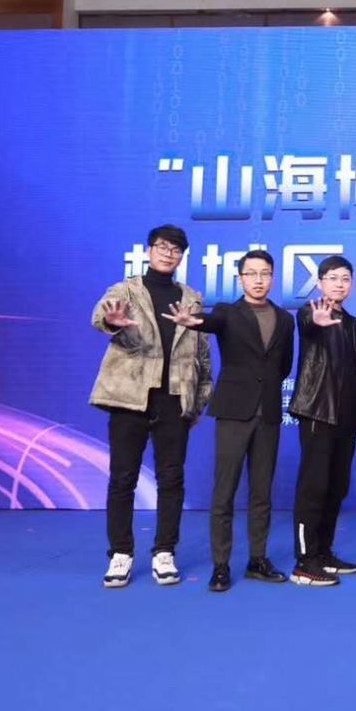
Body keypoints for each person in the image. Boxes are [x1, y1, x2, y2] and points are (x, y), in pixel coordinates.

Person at [89, 224, 211, 589]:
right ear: (149, 250)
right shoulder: (126, 290)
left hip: (174, 400)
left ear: (182, 257)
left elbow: (202, 354)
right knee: (122, 478)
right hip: (130, 398)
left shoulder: (191, 297)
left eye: (176, 250)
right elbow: (100, 315)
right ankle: (120, 554)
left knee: (172, 479)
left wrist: (198, 401)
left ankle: (164, 552)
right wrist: (111, 321)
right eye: (162, 247)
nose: (168, 254)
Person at [165, 249, 294, 592]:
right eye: (251, 273)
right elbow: (208, 322)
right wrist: (193, 321)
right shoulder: (227, 312)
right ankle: (221, 565)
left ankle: (257, 560)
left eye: (264, 273)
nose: (258, 280)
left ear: (273, 277)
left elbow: (284, 366)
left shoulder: (285, 318)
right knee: (224, 492)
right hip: (234, 411)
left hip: (268, 413)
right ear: (240, 278)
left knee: (262, 492)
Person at [288, 255, 356, 586]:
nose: (340, 284)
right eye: (333, 278)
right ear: (320, 282)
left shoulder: (350, 322)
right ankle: (304, 561)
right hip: (317, 411)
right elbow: (309, 326)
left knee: (337, 487)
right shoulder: (310, 311)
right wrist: (317, 321)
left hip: (346, 418)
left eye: (345, 279)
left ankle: (323, 552)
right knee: (314, 487)